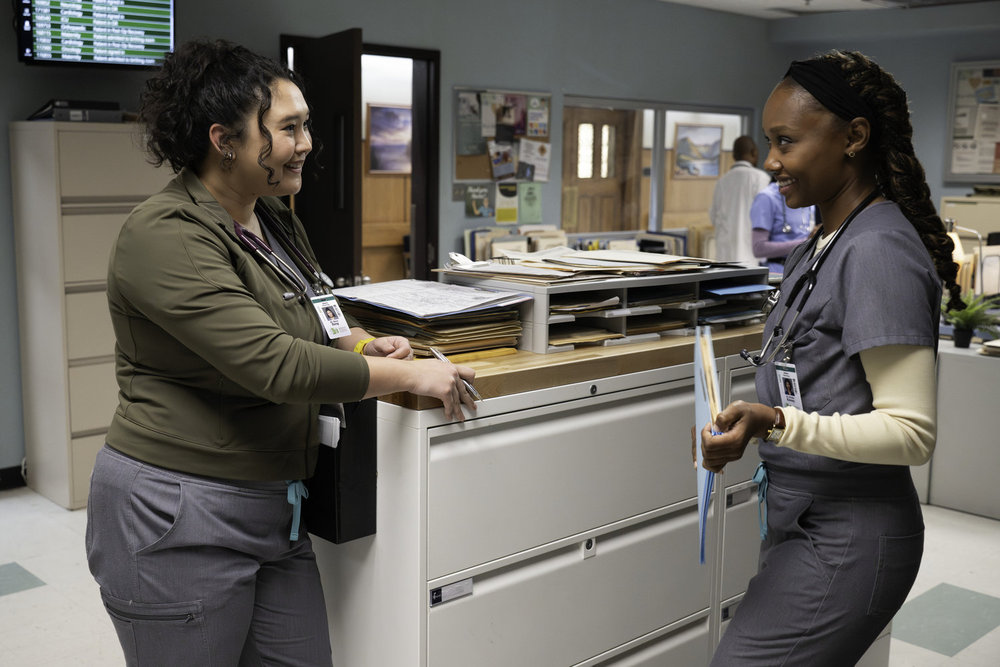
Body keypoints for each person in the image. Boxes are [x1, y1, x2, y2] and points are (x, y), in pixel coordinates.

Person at [85, 39, 477, 666]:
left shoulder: (273, 219)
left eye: (306, 125)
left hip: (274, 504)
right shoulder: (165, 235)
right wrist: (407, 375)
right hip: (179, 512)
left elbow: (317, 312)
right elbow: (276, 364)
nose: (309, 142)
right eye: (289, 128)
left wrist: (365, 342)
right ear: (225, 140)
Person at [700, 50, 963, 666]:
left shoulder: (877, 250)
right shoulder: (822, 241)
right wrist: (750, 424)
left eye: (786, 142)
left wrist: (778, 422)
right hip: (802, 516)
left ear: (854, 137)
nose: (770, 163)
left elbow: (911, 432)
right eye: (769, 142)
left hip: (849, 534)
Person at [709, 135, 771, 265]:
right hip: (752, 258)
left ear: (733, 155)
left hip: (725, 257)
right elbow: (767, 217)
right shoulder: (761, 178)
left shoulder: (721, 182)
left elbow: (713, 217)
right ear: (754, 152)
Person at [750, 180, 816, 273]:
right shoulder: (766, 198)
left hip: (804, 269)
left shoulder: (809, 197)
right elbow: (758, 248)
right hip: (778, 272)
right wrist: (807, 242)